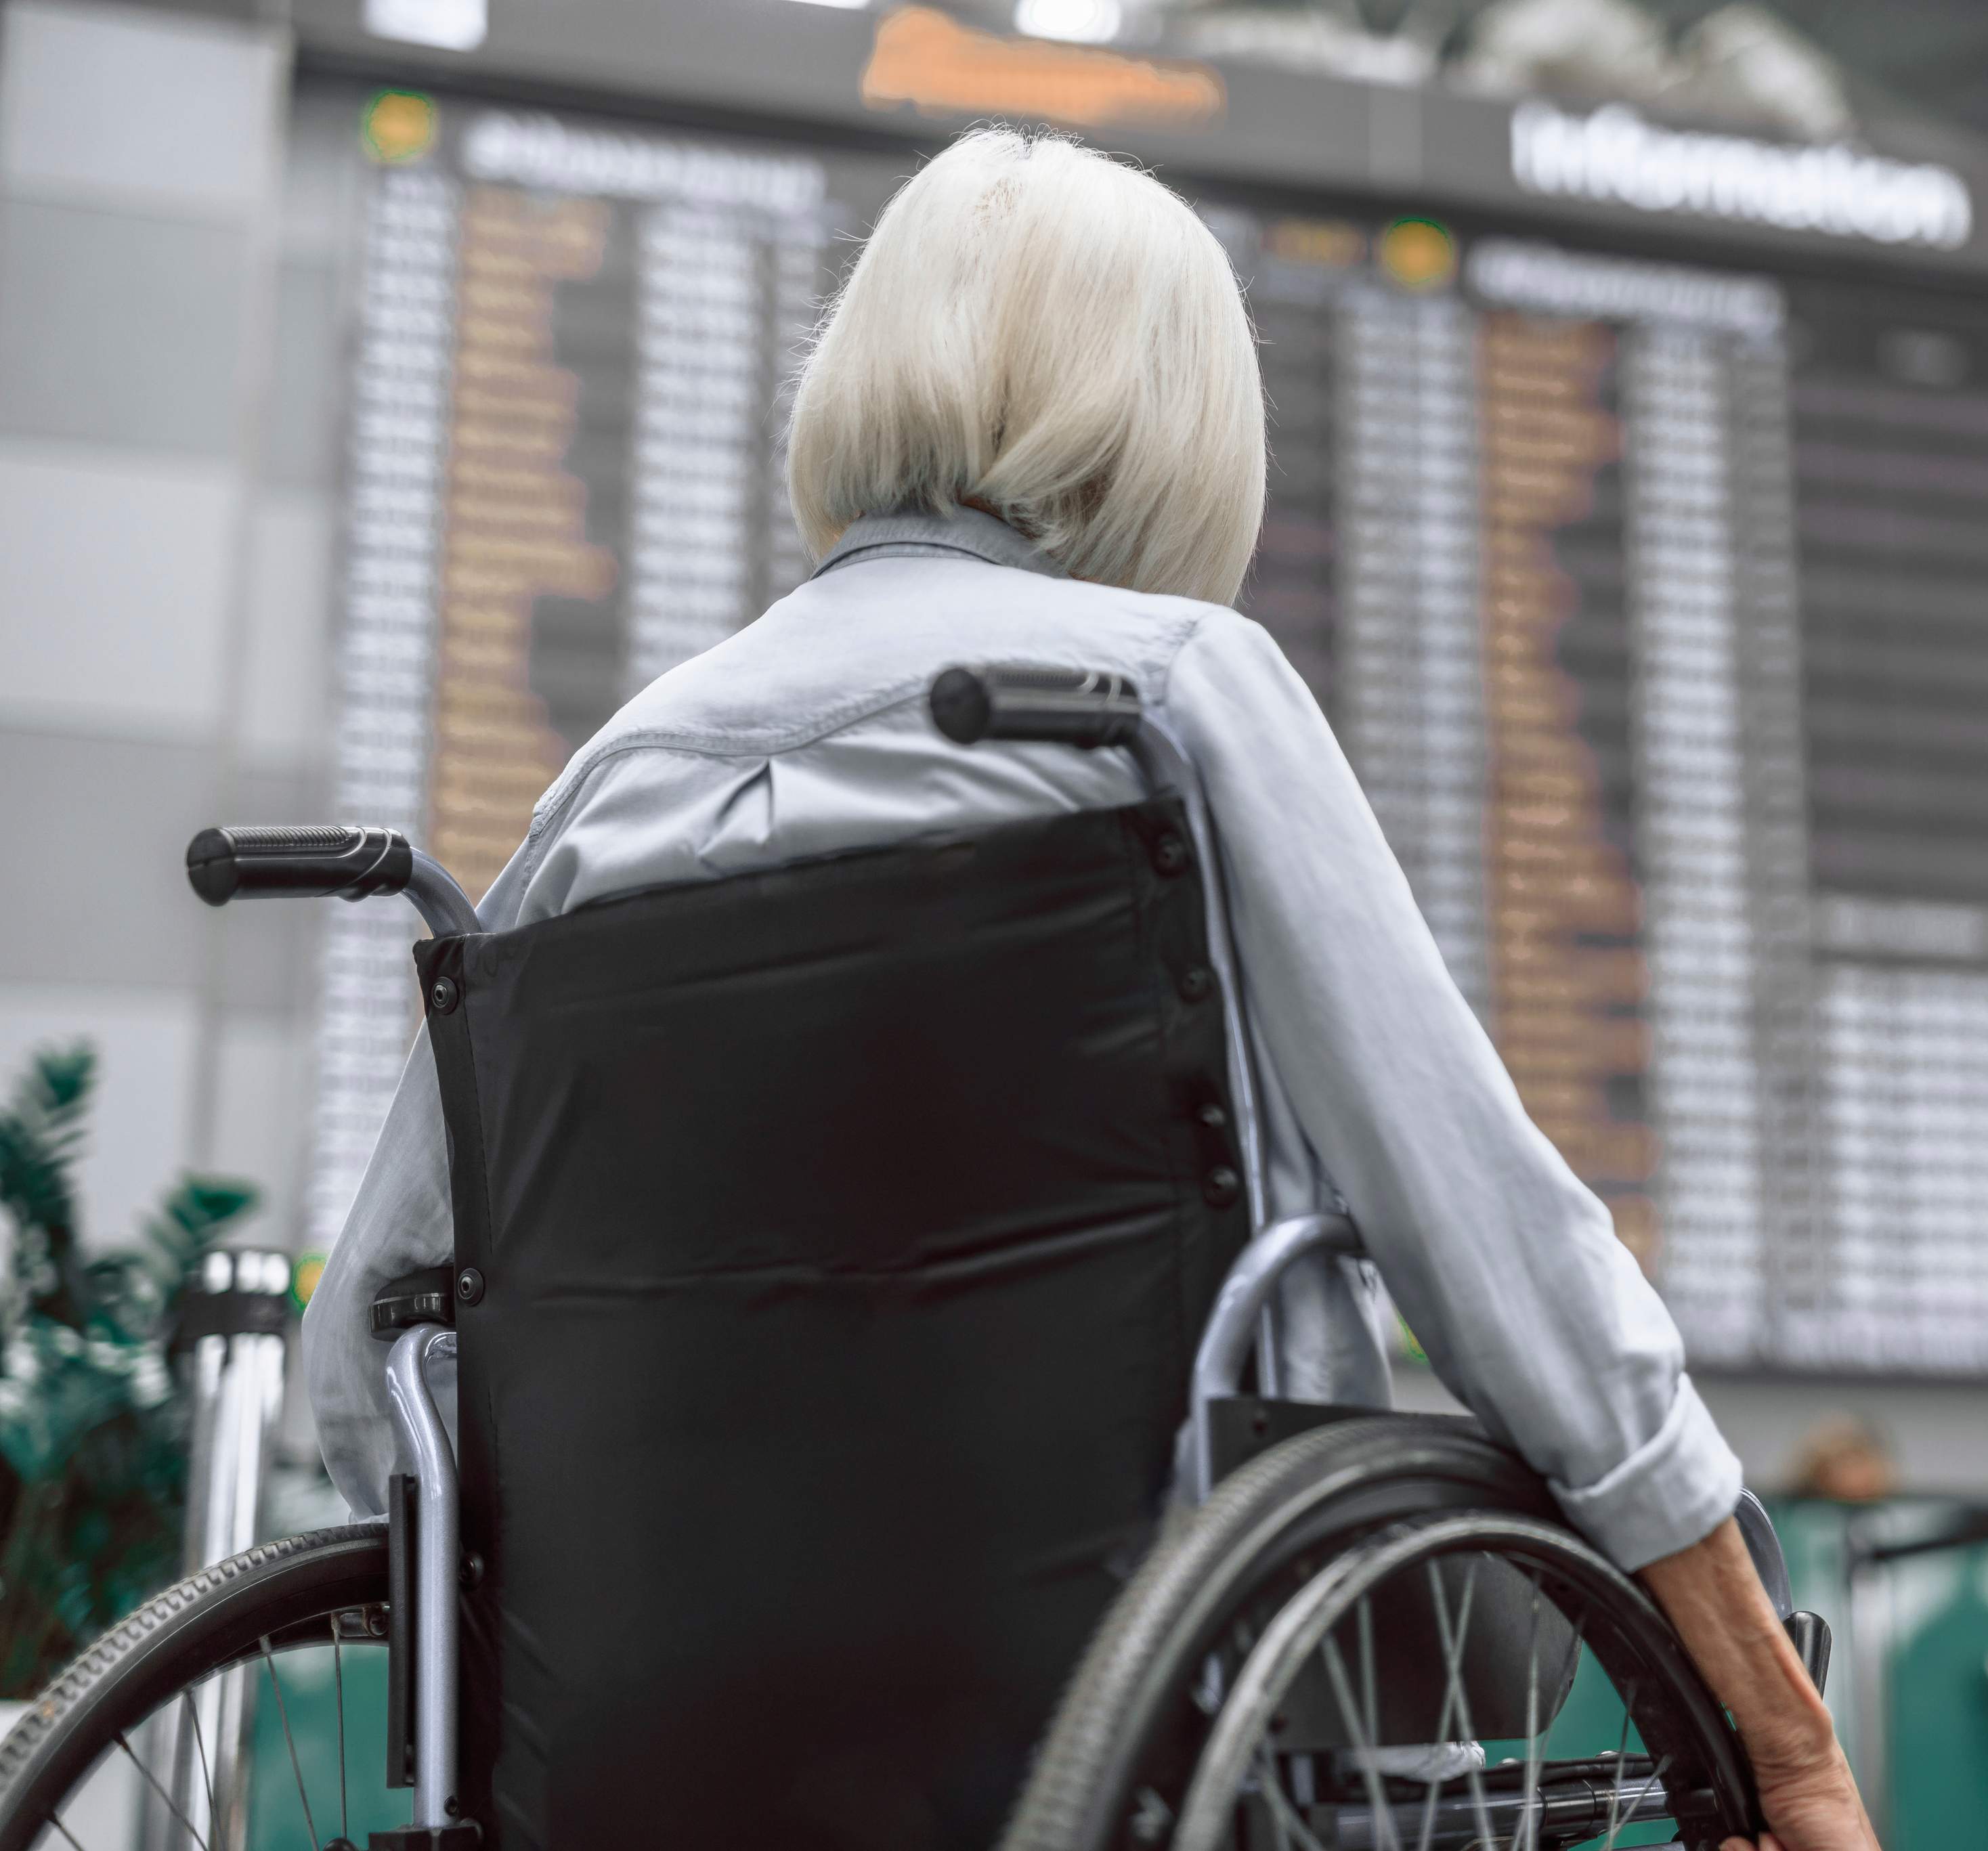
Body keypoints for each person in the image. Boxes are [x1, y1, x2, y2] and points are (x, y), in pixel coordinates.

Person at [305, 127, 1876, 1851]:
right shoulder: (1168, 689)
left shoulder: (604, 790)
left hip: (665, 1734)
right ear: (1176, 418)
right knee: (1546, 1611)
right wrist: (1781, 1739)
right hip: (1151, 1685)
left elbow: (361, 1361)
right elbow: (1488, 1232)